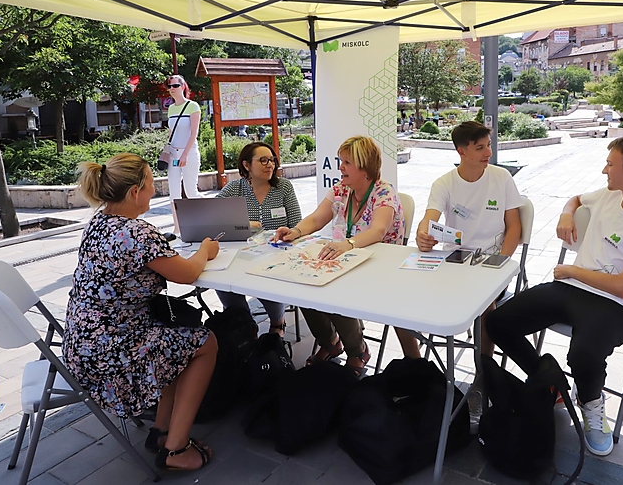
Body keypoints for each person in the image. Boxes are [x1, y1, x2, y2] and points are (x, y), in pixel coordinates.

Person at [487, 135, 623, 456]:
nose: (604, 170)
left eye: (611, 164)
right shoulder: (609, 195)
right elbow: (575, 198)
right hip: (572, 290)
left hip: (615, 304)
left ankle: (592, 407)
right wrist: (566, 213)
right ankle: (552, 383)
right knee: (498, 322)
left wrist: (572, 270)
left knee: (583, 356)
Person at [64, 153, 220, 470]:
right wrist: (206, 249)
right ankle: (176, 450)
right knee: (205, 343)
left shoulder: (97, 224)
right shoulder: (137, 234)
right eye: (151, 184)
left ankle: (161, 432)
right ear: (135, 191)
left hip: (80, 346)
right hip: (110, 356)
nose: (153, 191)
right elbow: (188, 273)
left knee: (172, 340)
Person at [273, 136, 404, 376]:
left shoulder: (383, 192)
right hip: (345, 261)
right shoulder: (341, 189)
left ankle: (357, 350)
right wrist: (296, 231)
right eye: (340, 161)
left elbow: (378, 230)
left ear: (365, 167)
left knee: (335, 292)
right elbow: (316, 218)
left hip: (379, 267)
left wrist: (348, 244)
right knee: (303, 286)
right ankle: (330, 342)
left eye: (346, 162)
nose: (340, 167)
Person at [405, 121, 522, 361]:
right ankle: (415, 364)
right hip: (454, 262)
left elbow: (515, 228)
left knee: (483, 301)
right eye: (480, 148)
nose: (489, 152)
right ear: (462, 152)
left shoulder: (501, 178)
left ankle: (484, 371)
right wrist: (423, 235)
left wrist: (501, 261)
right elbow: (430, 219)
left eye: (488, 145)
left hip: (491, 261)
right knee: (402, 293)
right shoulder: (444, 184)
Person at [216, 142, 302, 336]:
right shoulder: (235, 189)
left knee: (266, 279)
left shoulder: (283, 187)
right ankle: (243, 323)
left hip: (277, 253)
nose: (269, 165)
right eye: (263, 160)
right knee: (221, 280)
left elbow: (298, 224)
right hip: (243, 253)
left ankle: (277, 323)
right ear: (247, 165)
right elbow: (213, 218)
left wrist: (289, 232)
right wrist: (244, 224)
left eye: (272, 160)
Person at [165, 74, 202, 235]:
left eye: (175, 86)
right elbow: (172, 132)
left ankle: (205, 219)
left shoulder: (192, 106)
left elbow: (194, 133)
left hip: (189, 152)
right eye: (170, 86)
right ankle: (178, 228)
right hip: (173, 153)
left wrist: (185, 155)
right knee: (173, 192)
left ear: (183, 86)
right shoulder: (171, 109)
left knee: (190, 190)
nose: (172, 89)